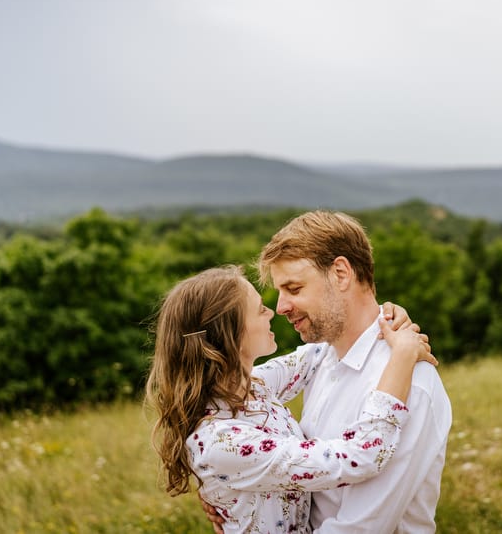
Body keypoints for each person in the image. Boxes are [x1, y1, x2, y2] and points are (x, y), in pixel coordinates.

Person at [205, 210, 453, 532]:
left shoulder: (411, 384)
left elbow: (359, 528)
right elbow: (220, 396)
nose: (280, 307)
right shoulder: (321, 358)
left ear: (340, 273)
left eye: (294, 289)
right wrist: (218, 486)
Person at [146, 265, 436, 533]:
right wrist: (402, 356)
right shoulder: (223, 442)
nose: (273, 312)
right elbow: (360, 457)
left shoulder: (250, 387)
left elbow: (316, 353)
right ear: (231, 334)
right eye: (259, 310)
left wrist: (387, 315)